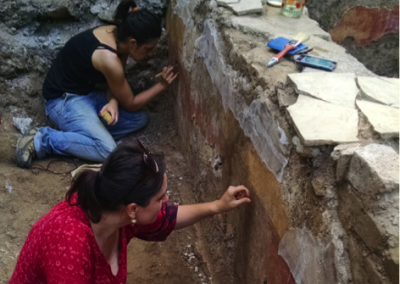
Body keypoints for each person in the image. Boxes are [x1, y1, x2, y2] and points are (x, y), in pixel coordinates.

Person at [9, 141, 251, 283]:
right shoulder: (69, 243)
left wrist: (218, 206)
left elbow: (168, 217)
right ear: (133, 209)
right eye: (161, 197)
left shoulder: (115, 209)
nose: (166, 201)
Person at [15, 0, 178, 168]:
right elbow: (131, 104)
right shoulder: (109, 58)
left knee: (138, 119)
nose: (151, 54)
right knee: (107, 150)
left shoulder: (119, 36)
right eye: (148, 49)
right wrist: (162, 85)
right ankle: (42, 139)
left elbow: (115, 85)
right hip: (62, 101)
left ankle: (86, 136)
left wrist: (113, 102)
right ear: (133, 43)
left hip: (87, 95)